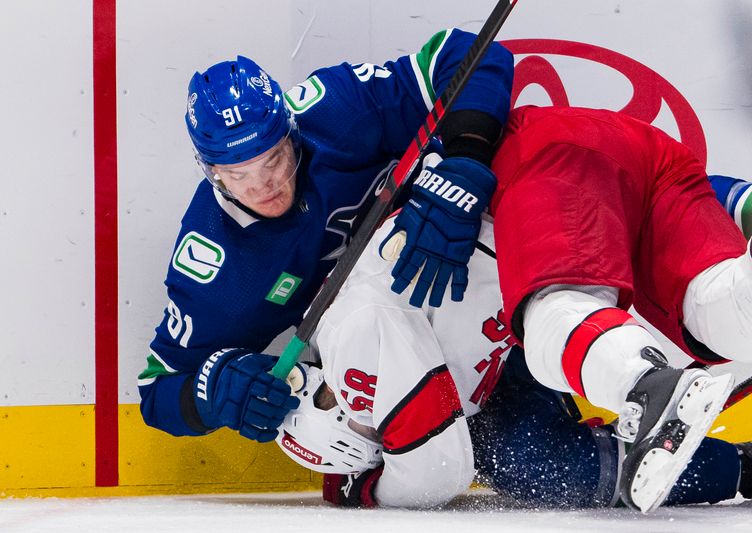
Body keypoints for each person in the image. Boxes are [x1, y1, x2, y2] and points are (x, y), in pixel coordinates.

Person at [137, 30, 514, 442]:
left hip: (472, 272)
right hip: (402, 357)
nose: (263, 187)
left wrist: (463, 163)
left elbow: (472, 54)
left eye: (273, 161)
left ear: (291, 131)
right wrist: (216, 388)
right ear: (211, 171)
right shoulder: (216, 262)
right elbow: (157, 391)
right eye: (238, 175)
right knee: (532, 455)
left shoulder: (337, 109)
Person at [274, 208, 752, 509]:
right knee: (524, 456)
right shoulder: (342, 344)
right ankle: (738, 463)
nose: (368, 402)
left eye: (350, 403)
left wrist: (369, 492)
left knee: (524, 456)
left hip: (532, 259)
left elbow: (435, 476)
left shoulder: (357, 340)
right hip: (510, 322)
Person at [486, 105, 752, 512]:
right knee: (720, 304)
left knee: (556, 309)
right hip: (643, 152)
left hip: (546, 156)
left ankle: (647, 384)